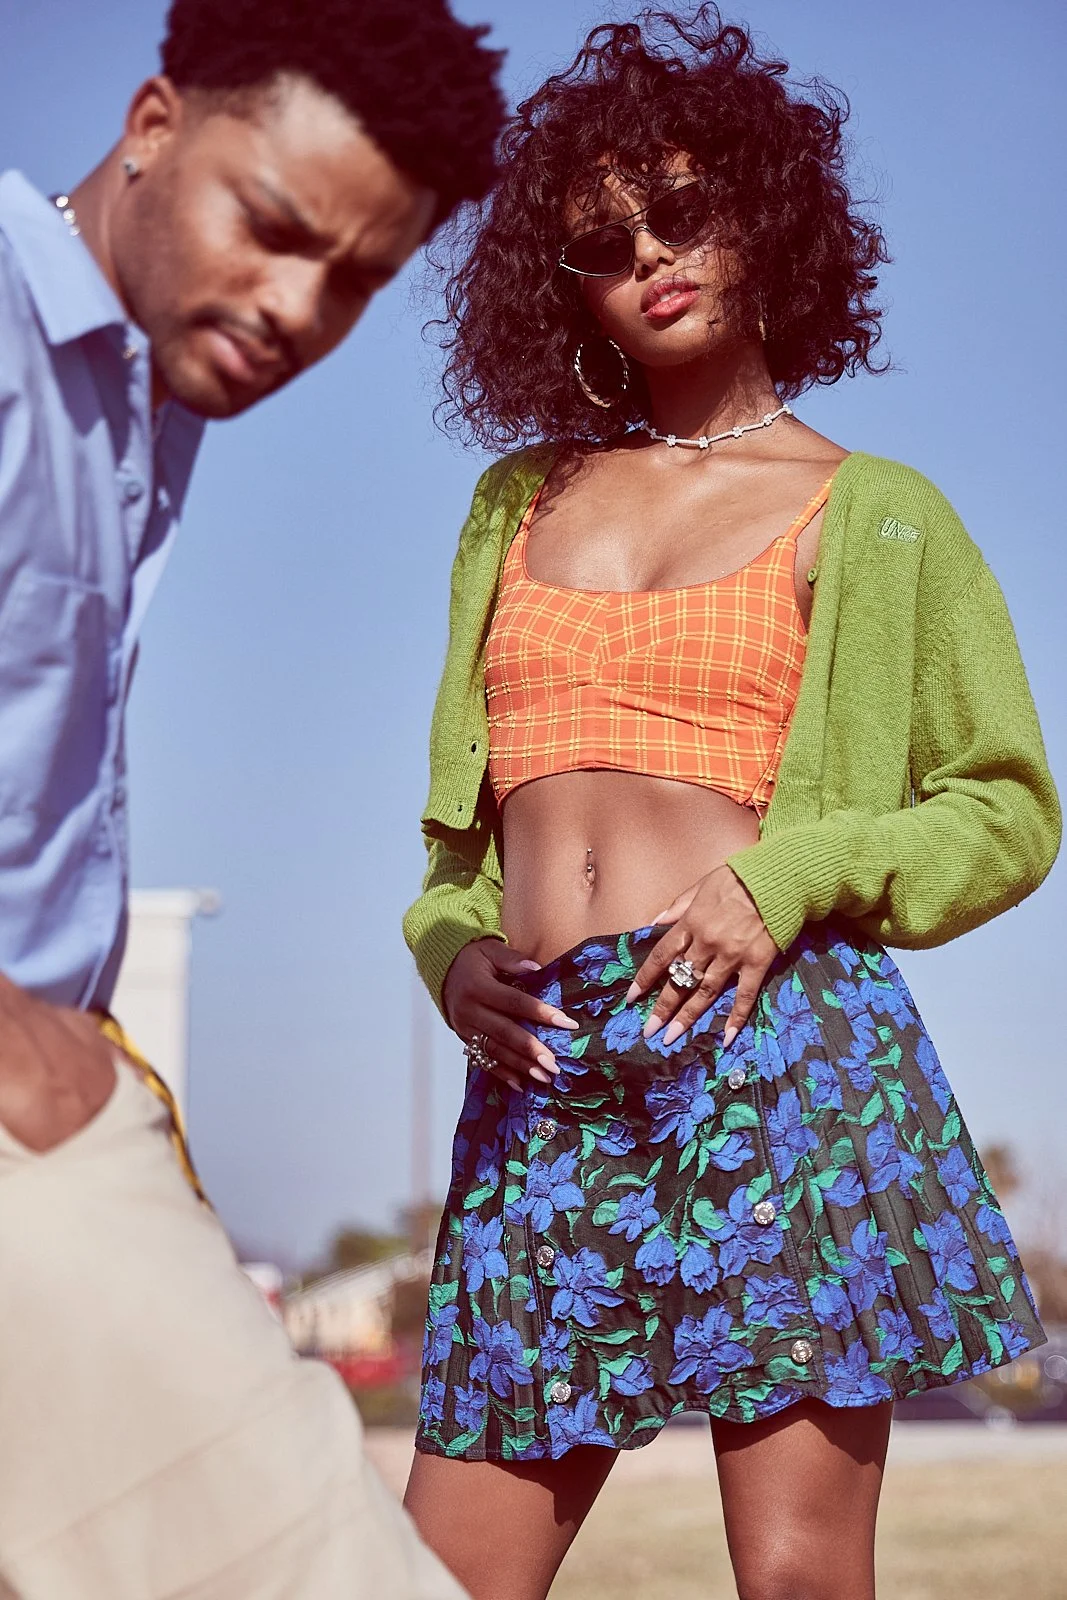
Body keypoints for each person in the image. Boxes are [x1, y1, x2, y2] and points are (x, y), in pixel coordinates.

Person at [402, 11, 1061, 1600]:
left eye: (683, 211)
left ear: (763, 221)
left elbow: (1005, 807)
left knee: (795, 1579)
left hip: (771, 1050)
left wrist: (790, 876)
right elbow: (457, 844)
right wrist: (448, 949)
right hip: (545, 1073)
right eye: (600, 242)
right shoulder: (513, 504)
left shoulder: (877, 512)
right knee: (430, 1577)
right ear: (561, 287)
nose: (648, 254)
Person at [0, 0, 503, 1593]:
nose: (296, 306)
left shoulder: (139, 401)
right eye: (273, 227)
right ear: (152, 123)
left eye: (354, 279)